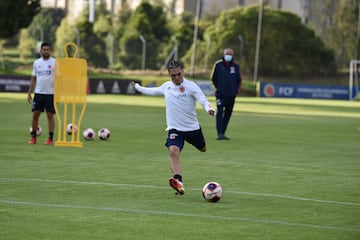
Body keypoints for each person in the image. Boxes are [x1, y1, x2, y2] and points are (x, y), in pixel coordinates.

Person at [132, 60, 216, 195]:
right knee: (173, 151)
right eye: (173, 76)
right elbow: (153, 91)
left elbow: (204, 101)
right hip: (175, 129)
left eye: (178, 74)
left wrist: (210, 110)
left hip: (192, 129)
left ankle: (180, 177)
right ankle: (179, 182)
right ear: (169, 74)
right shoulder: (167, 87)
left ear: (183, 71)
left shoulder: (191, 86)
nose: (176, 78)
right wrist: (137, 87)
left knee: (203, 149)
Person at [27, 42, 56, 145]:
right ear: (41, 51)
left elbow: (60, 78)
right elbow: (33, 78)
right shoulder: (36, 63)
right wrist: (30, 91)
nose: (46, 51)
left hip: (50, 93)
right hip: (38, 93)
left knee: (50, 115)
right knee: (35, 115)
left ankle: (50, 138)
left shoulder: (55, 62)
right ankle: (33, 138)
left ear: (50, 51)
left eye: (48, 50)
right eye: (44, 49)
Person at [211, 48, 242, 140]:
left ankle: (223, 132)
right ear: (224, 54)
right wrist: (218, 89)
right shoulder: (218, 65)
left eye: (230, 54)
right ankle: (219, 132)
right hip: (220, 95)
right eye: (227, 54)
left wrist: (236, 91)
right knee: (219, 112)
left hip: (231, 95)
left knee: (228, 113)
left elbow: (239, 80)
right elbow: (213, 78)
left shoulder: (236, 66)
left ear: (232, 55)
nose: (228, 55)